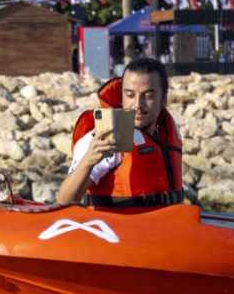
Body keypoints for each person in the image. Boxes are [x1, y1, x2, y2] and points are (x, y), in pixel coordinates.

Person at [57, 57, 184, 207]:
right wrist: (89, 160)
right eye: (130, 95)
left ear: (163, 99)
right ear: (122, 96)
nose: (138, 104)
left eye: (148, 96)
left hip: (163, 226)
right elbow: (63, 202)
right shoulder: (105, 137)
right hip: (119, 228)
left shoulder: (166, 132)